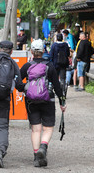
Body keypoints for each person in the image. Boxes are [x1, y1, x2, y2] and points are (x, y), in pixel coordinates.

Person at [20, 39, 66, 167]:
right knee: (48, 128)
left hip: (30, 101)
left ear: (32, 52)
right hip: (48, 100)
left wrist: (25, 88)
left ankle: (36, 157)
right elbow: (57, 86)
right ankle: (43, 147)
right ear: (44, 51)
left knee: (36, 129)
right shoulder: (49, 66)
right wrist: (62, 101)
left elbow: (18, 81)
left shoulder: (27, 66)